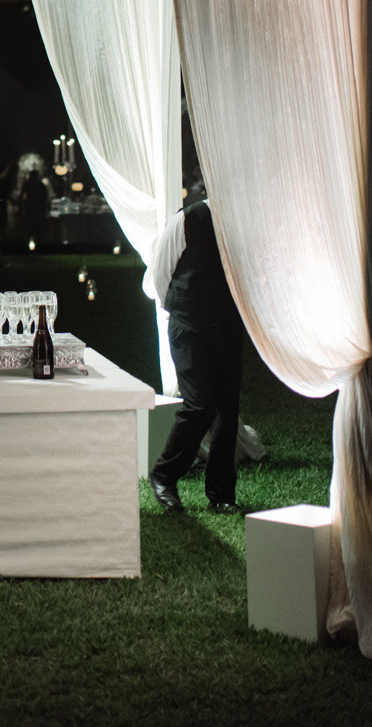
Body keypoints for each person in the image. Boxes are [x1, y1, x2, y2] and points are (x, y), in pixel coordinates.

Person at [149, 183, 248, 515]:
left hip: (230, 326)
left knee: (227, 412)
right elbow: (160, 274)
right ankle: (164, 477)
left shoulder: (247, 222)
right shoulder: (188, 218)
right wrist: (184, 308)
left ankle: (221, 494)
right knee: (199, 406)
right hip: (189, 326)